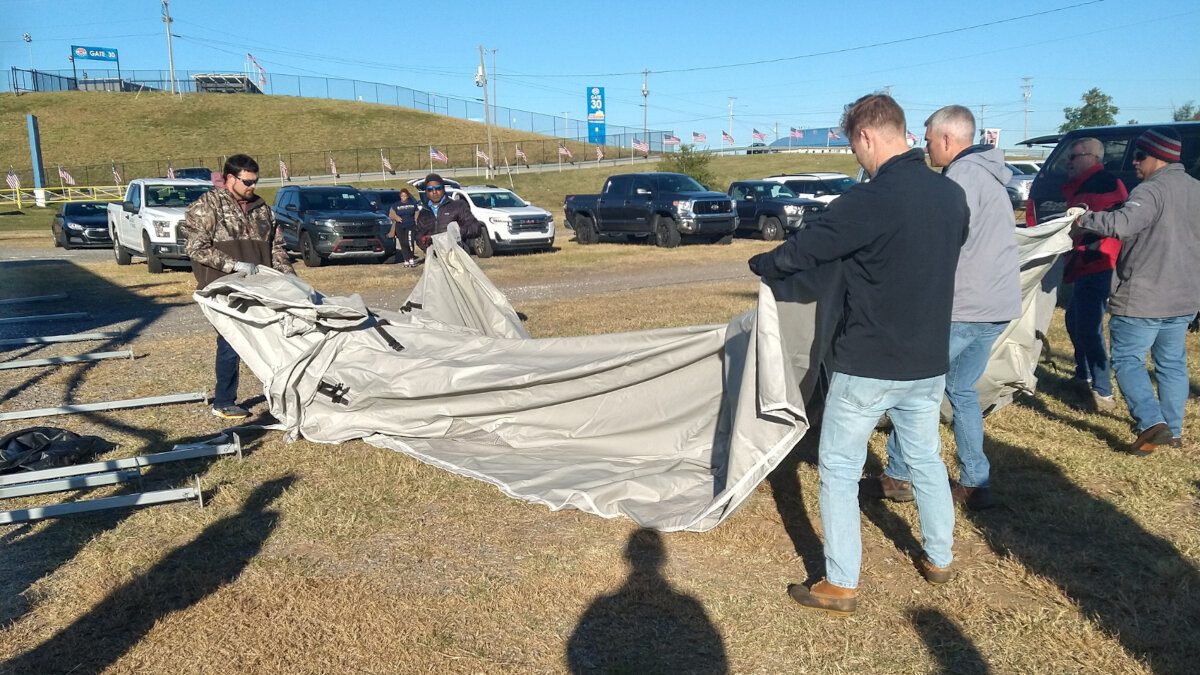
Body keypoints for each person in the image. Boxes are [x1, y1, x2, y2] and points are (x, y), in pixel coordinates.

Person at [748, 94, 969, 615]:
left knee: (840, 467)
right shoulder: (951, 196)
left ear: (868, 136)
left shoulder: (869, 201)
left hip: (868, 362)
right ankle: (939, 555)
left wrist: (762, 262)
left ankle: (841, 581)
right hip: (928, 359)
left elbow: (801, 253)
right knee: (926, 459)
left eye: (854, 148)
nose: (856, 160)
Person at [876, 105, 1021, 511]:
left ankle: (899, 474)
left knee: (914, 388)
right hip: (997, 303)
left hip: (963, 305)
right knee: (961, 390)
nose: (924, 147)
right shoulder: (992, 175)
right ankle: (976, 481)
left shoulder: (960, 176)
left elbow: (939, 241)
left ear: (946, 139)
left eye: (926, 139)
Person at [1074, 127, 1200, 455]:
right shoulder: (1195, 189)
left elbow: (1123, 224)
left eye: (1140, 155)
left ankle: (1150, 423)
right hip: (1184, 296)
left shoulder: (1151, 190)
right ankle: (1171, 430)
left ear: (1157, 157)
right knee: (1172, 364)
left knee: (1128, 359)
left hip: (1143, 296)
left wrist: (1084, 219)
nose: (1134, 162)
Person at [184, 154, 295, 420]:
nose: (252, 187)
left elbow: (276, 247)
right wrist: (234, 265)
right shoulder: (206, 206)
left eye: (255, 181)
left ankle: (284, 392)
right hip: (222, 288)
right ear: (230, 179)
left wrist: (291, 279)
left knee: (275, 337)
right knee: (230, 341)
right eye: (247, 181)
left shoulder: (261, 208)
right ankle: (224, 400)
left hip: (261, 286)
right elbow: (195, 248)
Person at [1061, 137, 1128, 411]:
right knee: (1074, 318)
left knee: (1088, 326)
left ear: (1091, 157)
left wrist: (1076, 229)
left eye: (1073, 156)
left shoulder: (1105, 184)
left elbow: (1107, 222)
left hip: (1099, 261)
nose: (1069, 162)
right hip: (1085, 260)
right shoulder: (1087, 184)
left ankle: (1103, 392)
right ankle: (1083, 374)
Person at [412, 173, 483, 252]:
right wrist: (423, 242)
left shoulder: (458, 206)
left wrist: (456, 232)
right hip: (436, 257)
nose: (434, 192)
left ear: (443, 189)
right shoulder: (424, 213)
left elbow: (476, 228)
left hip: (456, 255)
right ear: (426, 192)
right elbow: (418, 235)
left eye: (438, 188)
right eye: (430, 189)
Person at [386, 188, 419, 267]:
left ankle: (411, 258)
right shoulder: (396, 205)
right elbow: (391, 214)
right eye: (402, 196)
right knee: (403, 243)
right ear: (400, 196)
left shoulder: (412, 204)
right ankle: (406, 260)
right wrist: (396, 217)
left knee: (410, 242)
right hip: (400, 226)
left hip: (410, 225)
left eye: (405, 196)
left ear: (407, 196)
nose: (403, 197)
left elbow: (417, 212)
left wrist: (416, 220)